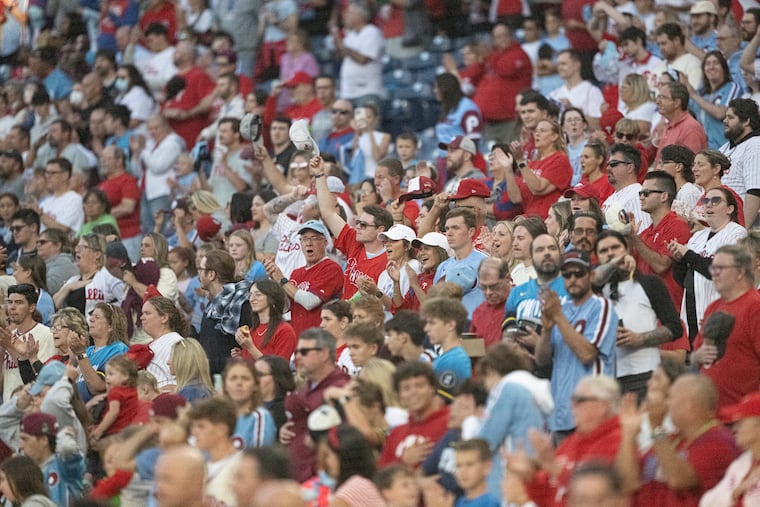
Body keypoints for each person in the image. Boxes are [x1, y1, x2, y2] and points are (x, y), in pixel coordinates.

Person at [616, 374, 739, 504]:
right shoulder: (670, 439)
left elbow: (679, 479)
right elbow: (626, 483)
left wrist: (656, 428)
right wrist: (628, 434)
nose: (667, 404)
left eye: (670, 398)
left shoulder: (719, 441)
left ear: (690, 404)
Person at [535, 250, 618, 437]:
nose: (572, 279)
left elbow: (587, 354)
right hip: (561, 413)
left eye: (579, 273)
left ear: (591, 275)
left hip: (593, 410)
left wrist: (557, 317)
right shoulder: (561, 306)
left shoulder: (601, 306)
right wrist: (547, 330)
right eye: (567, 274)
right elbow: (541, 360)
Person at [594, 231, 683, 400]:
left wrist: (640, 339)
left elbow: (674, 327)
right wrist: (614, 263)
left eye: (615, 248)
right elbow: (591, 279)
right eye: (604, 251)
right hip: (608, 379)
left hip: (646, 374)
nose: (610, 253)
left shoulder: (650, 283)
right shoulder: (596, 290)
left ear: (627, 250)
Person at [508, 376, 623, 506]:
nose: (572, 406)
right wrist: (529, 477)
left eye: (579, 400)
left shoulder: (618, 442)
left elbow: (591, 497)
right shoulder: (571, 442)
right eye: (572, 400)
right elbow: (544, 497)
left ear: (603, 406)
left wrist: (553, 467)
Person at [669, 187, 747, 340]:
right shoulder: (698, 236)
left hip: (718, 308)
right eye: (706, 201)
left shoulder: (737, 233)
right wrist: (678, 261)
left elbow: (721, 272)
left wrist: (688, 254)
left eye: (716, 200)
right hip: (691, 309)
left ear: (730, 208)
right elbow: (682, 279)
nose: (709, 204)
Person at [311, 155, 391, 299]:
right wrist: (319, 174)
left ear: (380, 230)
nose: (358, 227)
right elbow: (328, 213)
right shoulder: (354, 241)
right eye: (359, 223)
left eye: (364, 225)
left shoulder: (388, 260)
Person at [689, 245, 760, 408]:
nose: (714, 272)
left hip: (744, 416)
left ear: (741, 272)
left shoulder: (755, 307)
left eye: (720, 268)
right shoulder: (713, 308)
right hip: (712, 413)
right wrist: (698, 356)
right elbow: (694, 356)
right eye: (713, 267)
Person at [281, 328, 350, 482]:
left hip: (321, 479)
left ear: (324, 354)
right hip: (298, 473)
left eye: (304, 352)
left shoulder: (341, 387)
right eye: (297, 351)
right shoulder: (307, 386)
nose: (298, 356)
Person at [263, 220, 343, 336]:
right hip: (299, 337)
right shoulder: (297, 273)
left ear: (325, 242)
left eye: (314, 238)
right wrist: (274, 279)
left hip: (322, 338)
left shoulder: (331, 268)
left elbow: (309, 302)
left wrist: (282, 280)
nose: (309, 243)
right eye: (304, 239)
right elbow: (285, 307)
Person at [627, 171, 691, 309]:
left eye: (646, 193)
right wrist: (627, 236)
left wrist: (634, 238)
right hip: (646, 308)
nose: (641, 197)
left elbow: (661, 265)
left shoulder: (677, 225)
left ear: (664, 196)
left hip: (669, 309)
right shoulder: (644, 233)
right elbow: (630, 266)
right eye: (640, 194)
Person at [504, 233, 568, 356]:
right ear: (532, 257)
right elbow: (508, 330)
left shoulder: (572, 289)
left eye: (552, 248)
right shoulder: (517, 292)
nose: (547, 253)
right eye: (540, 250)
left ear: (560, 255)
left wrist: (541, 345)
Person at [378, 361, 449, 468]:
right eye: (406, 388)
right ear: (399, 395)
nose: (413, 392)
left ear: (432, 389)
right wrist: (403, 462)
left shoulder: (450, 422)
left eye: (419, 386)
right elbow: (382, 476)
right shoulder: (396, 433)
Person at [472, 23, 532, 145]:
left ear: (511, 36)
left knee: (513, 157)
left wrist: (489, 56)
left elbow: (506, 69)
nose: (502, 39)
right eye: (498, 37)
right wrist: (482, 60)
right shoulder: (492, 56)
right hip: (488, 122)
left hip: (510, 120)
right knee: (493, 159)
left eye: (504, 35)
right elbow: (474, 76)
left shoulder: (519, 53)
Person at [501, 120, 572, 219]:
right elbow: (516, 198)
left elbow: (538, 188)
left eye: (542, 131)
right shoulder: (532, 164)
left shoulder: (560, 160)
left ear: (554, 136)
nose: (537, 134)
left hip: (548, 219)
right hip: (528, 219)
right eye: (536, 131)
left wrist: (521, 161)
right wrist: (508, 169)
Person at [197, 249, 252, 375]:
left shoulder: (241, 303)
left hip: (232, 376)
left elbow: (243, 347)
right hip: (211, 376)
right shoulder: (213, 303)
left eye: (201, 270)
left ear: (211, 275)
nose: (198, 275)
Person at [701, 391, 760, 506]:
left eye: (740, 423)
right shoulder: (741, 464)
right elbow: (707, 502)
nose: (735, 429)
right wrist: (735, 492)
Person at [18, 412, 85, 505]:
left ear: (44, 440)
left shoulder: (64, 466)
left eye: (25, 439)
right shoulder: (27, 471)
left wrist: (66, 433)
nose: (20, 446)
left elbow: (67, 447)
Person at [68, 302, 129, 403]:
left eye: (97, 317)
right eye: (91, 316)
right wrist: (72, 358)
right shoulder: (88, 351)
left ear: (110, 326)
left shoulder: (118, 349)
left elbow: (98, 387)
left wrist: (80, 354)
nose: (91, 319)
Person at [186, 398, 242, 506]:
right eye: (193, 426)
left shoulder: (242, 465)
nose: (193, 432)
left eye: (201, 426)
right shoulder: (199, 465)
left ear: (222, 430)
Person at [433, 208, 487, 318]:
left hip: (475, 328)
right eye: (447, 228)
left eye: (455, 228)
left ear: (471, 231)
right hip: (448, 328)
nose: (449, 233)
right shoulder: (442, 267)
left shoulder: (485, 263)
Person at [316, 423, 385, 506]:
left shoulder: (351, 490)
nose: (326, 462)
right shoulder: (368, 484)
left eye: (328, 455)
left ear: (343, 456)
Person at [682, 50, 739, 149]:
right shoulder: (701, 93)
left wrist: (693, 95)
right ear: (704, 69)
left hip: (724, 149)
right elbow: (684, 113)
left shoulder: (731, 87)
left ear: (724, 68)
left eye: (716, 63)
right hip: (704, 152)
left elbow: (721, 113)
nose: (711, 67)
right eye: (708, 64)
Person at [333, 1, 385, 105]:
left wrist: (342, 46)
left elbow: (363, 59)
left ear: (360, 16)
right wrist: (336, 40)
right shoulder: (350, 35)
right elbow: (342, 56)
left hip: (367, 91)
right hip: (347, 92)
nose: (344, 15)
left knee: (364, 121)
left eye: (349, 13)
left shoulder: (372, 32)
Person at [719, 98, 760, 227]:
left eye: (730, 117)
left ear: (746, 121)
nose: (725, 121)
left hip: (740, 222)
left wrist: (742, 231)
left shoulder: (755, 145)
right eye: (725, 117)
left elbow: (755, 191)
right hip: (721, 220)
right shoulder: (725, 147)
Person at [221, 359, 277, 449]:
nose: (239, 383)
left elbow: (259, 458)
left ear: (255, 385)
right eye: (233, 378)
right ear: (225, 385)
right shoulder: (218, 418)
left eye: (245, 378)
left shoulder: (260, 416)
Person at [235, 280, 297, 361]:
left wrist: (250, 348)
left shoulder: (285, 330)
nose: (252, 299)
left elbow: (279, 369)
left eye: (258, 295)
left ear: (272, 298)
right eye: (250, 295)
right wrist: (241, 356)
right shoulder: (252, 330)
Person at [601, 143, 652, 234]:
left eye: (613, 164)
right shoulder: (610, 198)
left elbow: (643, 235)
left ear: (630, 168)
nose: (608, 168)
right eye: (608, 164)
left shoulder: (638, 196)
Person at [654, 82, 708, 166]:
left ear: (676, 103)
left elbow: (690, 167)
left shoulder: (691, 128)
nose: (657, 101)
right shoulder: (669, 125)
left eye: (663, 97)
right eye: (658, 97)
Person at [140, 296, 187, 391]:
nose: (141, 318)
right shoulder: (153, 343)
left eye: (147, 313)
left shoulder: (175, 342)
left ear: (164, 318)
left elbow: (180, 381)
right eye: (142, 313)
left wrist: (160, 392)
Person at [550, 49, 603, 130]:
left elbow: (598, 125)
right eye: (558, 65)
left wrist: (572, 110)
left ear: (577, 65)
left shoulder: (592, 91)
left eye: (563, 64)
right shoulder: (554, 94)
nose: (560, 68)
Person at [90, 355, 139, 440]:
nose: (107, 377)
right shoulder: (134, 391)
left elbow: (113, 412)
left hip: (114, 433)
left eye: (111, 374)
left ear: (125, 376)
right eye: (106, 374)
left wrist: (99, 430)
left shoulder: (115, 392)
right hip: (129, 431)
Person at [470, 257, 511, 347]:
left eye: (494, 286)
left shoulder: (520, 305)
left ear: (508, 278)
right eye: (484, 287)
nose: (488, 293)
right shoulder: (479, 312)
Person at [38, 158, 84, 235]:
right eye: (46, 173)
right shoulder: (45, 202)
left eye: (52, 173)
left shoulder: (74, 199)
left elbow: (62, 231)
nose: (48, 176)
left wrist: (40, 214)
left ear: (65, 175)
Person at [450, 439, 501, 506]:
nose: (462, 471)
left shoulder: (491, 504)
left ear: (487, 467)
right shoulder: (459, 502)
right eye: (458, 465)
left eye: (469, 464)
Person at [255, 355, 295, 431]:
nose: (254, 379)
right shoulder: (245, 406)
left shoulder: (288, 409)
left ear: (277, 377)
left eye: (259, 375)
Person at [168, 337, 213, 403]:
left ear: (184, 361)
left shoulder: (190, 393)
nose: (168, 362)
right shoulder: (204, 389)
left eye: (173, 357)